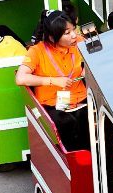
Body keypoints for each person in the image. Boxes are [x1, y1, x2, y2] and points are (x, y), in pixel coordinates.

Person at [16, 10, 91, 152]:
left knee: (99, 123)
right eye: (67, 33)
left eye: (73, 29)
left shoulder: (80, 42)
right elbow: (20, 78)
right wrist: (53, 81)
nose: (74, 35)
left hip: (81, 99)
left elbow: (98, 58)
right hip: (53, 104)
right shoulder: (37, 51)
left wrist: (88, 67)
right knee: (66, 124)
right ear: (52, 37)